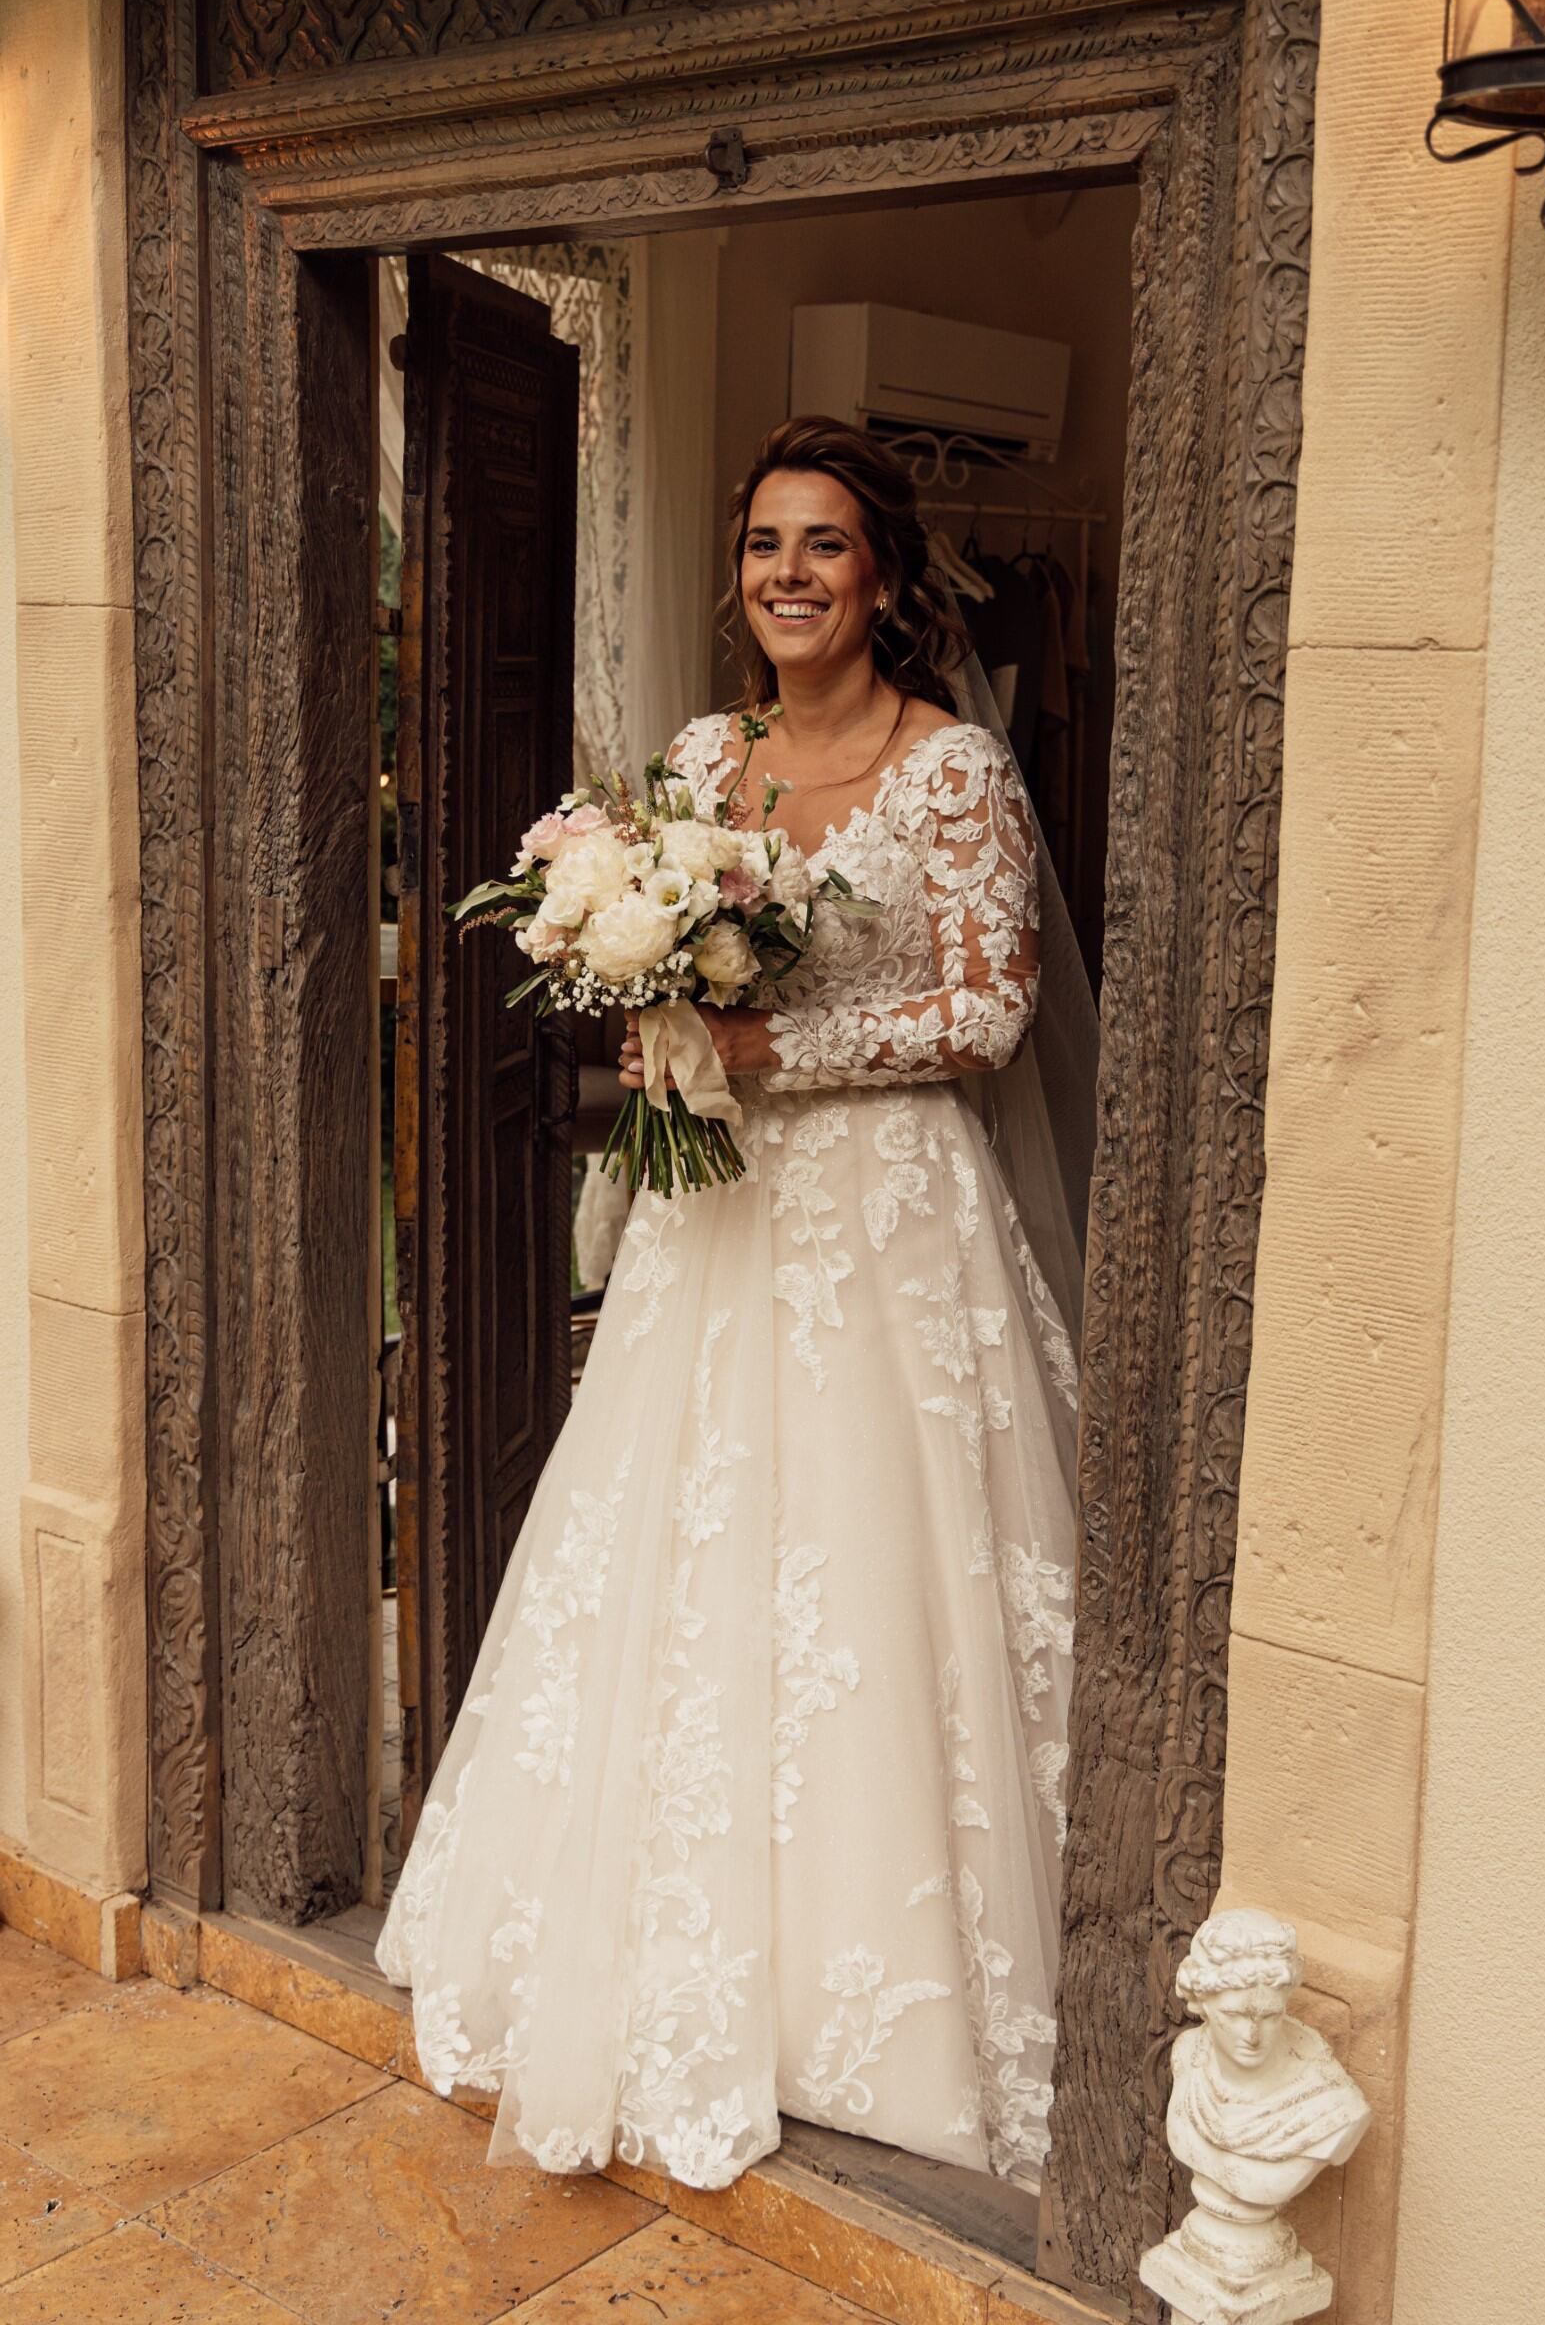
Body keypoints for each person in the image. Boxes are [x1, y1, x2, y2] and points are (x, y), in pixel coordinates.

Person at [378, 416, 1083, 2197]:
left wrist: (772, 1044)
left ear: (888, 577)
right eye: (765, 542)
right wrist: (654, 1012)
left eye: (825, 544)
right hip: (722, 1219)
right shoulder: (701, 758)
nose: (788, 573)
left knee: (872, 1564)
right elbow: (662, 965)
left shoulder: (952, 775)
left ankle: (882, 1988)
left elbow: (987, 1016)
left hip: (894, 1224)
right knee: (685, 1557)